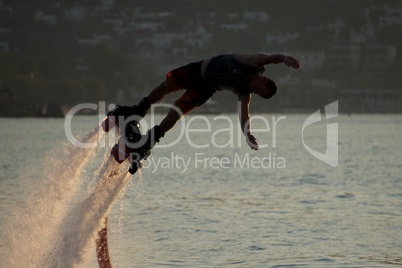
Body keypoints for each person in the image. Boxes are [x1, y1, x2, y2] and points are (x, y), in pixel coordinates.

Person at [109, 53, 300, 153]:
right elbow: (270, 58)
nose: (256, 92)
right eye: (260, 89)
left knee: (176, 111)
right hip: (197, 70)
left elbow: (244, 115)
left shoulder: (244, 92)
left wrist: (247, 134)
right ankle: (136, 111)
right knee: (164, 88)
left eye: (259, 94)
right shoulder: (253, 62)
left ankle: (149, 140)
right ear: (265, 80)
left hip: (206, 88)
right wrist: (284, 58)